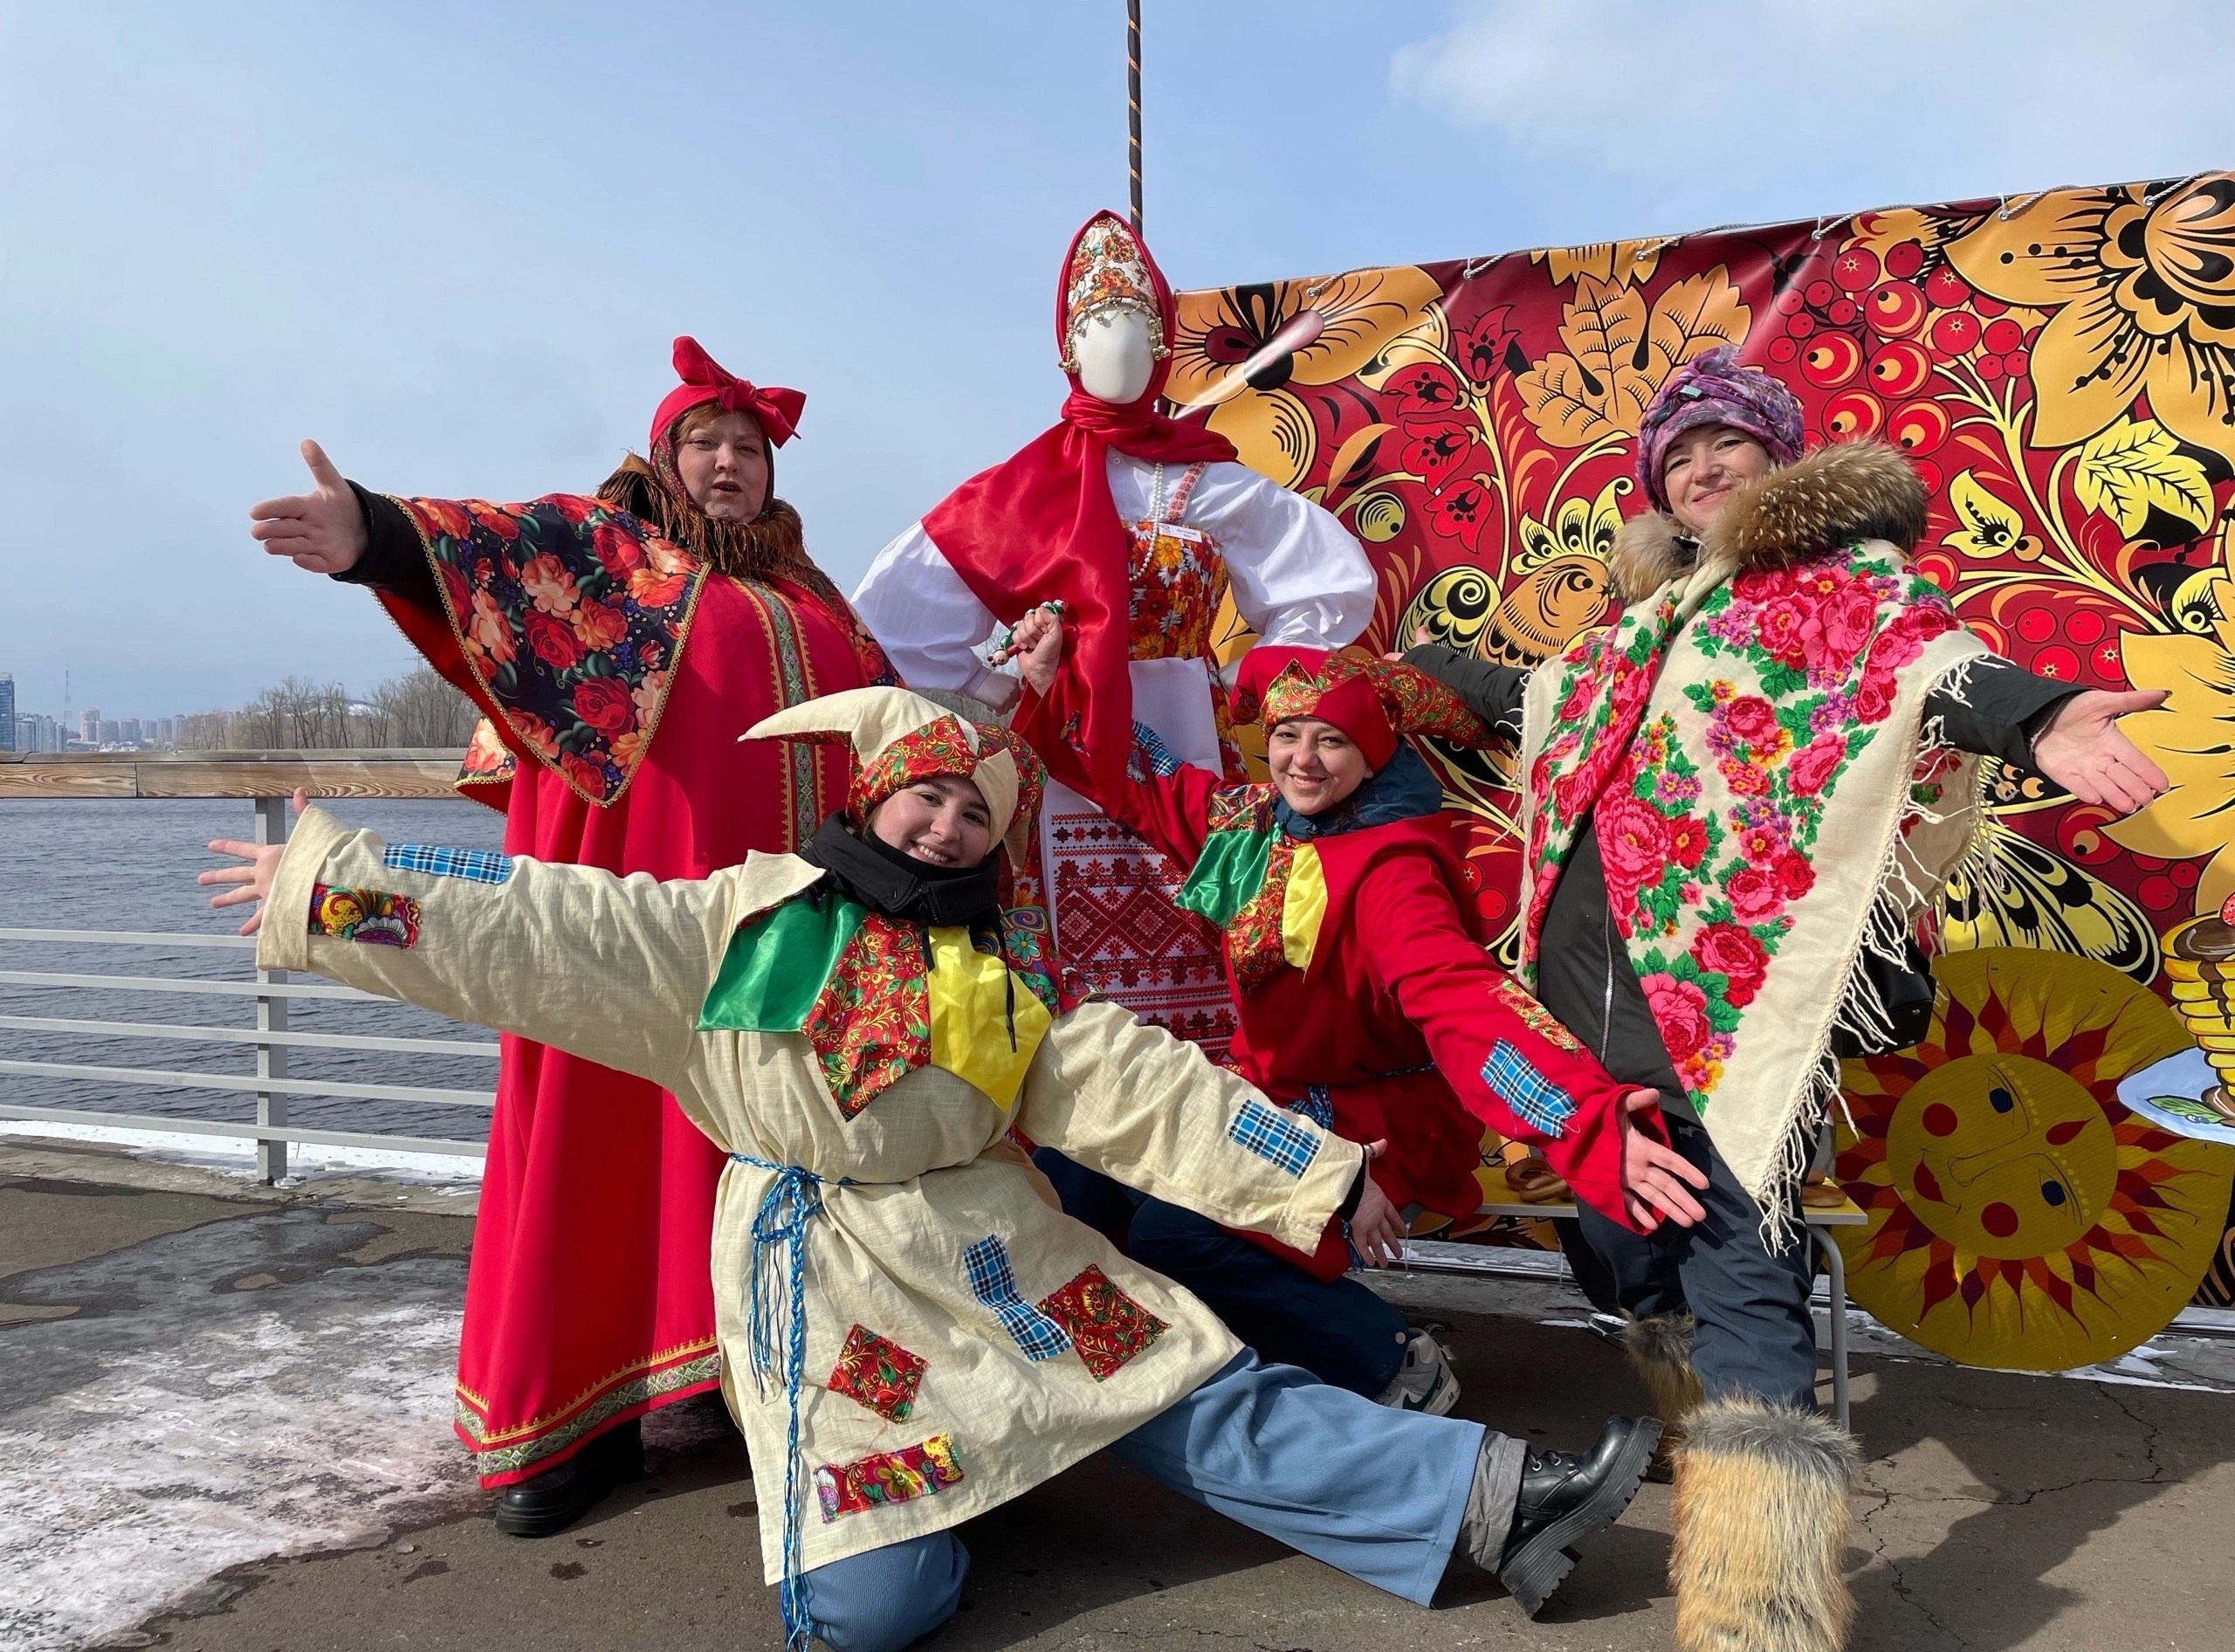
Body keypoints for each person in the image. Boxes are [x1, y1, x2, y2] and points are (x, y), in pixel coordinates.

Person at [197, 688, 1665, 1648]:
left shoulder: (1000, 977)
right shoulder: (731, 929)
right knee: (871, 1614)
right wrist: (335, 883)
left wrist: (1319, 1172)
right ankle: (952, 1500)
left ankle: (1496, 1507)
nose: (948, 822)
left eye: (972, 810)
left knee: (1189, 1379)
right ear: (870, 804)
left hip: (993, 1246)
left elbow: (1137, 1085)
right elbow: (546, 915)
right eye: (925, 799)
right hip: (824, 1276)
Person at [1401, 346, 2170, 1652]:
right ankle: (1694, 1421)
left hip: (1730, 1014)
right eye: (1676, 454)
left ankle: (1760, 1601)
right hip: (1584, 1009)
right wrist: (1423, 668)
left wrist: (2041, 723)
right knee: (1613, 1236)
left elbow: (1933, 670)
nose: (1700, 468)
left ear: (1781, 462)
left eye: (1728, 445)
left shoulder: (1840, 594)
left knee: (1735, 1266)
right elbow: (1548, 705)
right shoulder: (1644, 627)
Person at [245, 338, 895, 1534]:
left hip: (789, 948)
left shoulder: (818, 599)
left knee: (762, 1146)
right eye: (707, 443)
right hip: (625, 921)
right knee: (597, 1132)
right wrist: (376, 538)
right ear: (664, 459)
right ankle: (566, 1417)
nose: (731, 464)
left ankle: (732, 1375)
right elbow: (501, 552)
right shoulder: (617, 560)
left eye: (750, 449)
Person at [1008, 616, 1708, 1413]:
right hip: (1269, 1098)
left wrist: (1580, 1118)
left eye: (1331, 742)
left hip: (1381, 1115)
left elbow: (1462, 1001)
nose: (1303, 760)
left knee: (1181, 1234)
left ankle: (1392, 1359)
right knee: (1075, 1177)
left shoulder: (1392, 869)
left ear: (1372, 755)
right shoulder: (1253, 830)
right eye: (1289, 736)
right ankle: (1128, 1395)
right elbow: (1146, 777)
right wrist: (1055, 675)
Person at [852, 210, 1375, 1057]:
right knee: (1064, 958)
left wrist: (1258, 678)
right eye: (1098, 326)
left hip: (1189, 734)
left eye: (1138, 327)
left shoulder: (1208, 482)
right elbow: (899, 620)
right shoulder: (1019, 487)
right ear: (1067, 346)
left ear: (1165, 343)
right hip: (1060, 748)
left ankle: (1211, 1120)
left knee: (1210, 918)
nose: (1119, 347)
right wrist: (1004, 684)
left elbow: (1326, 582)